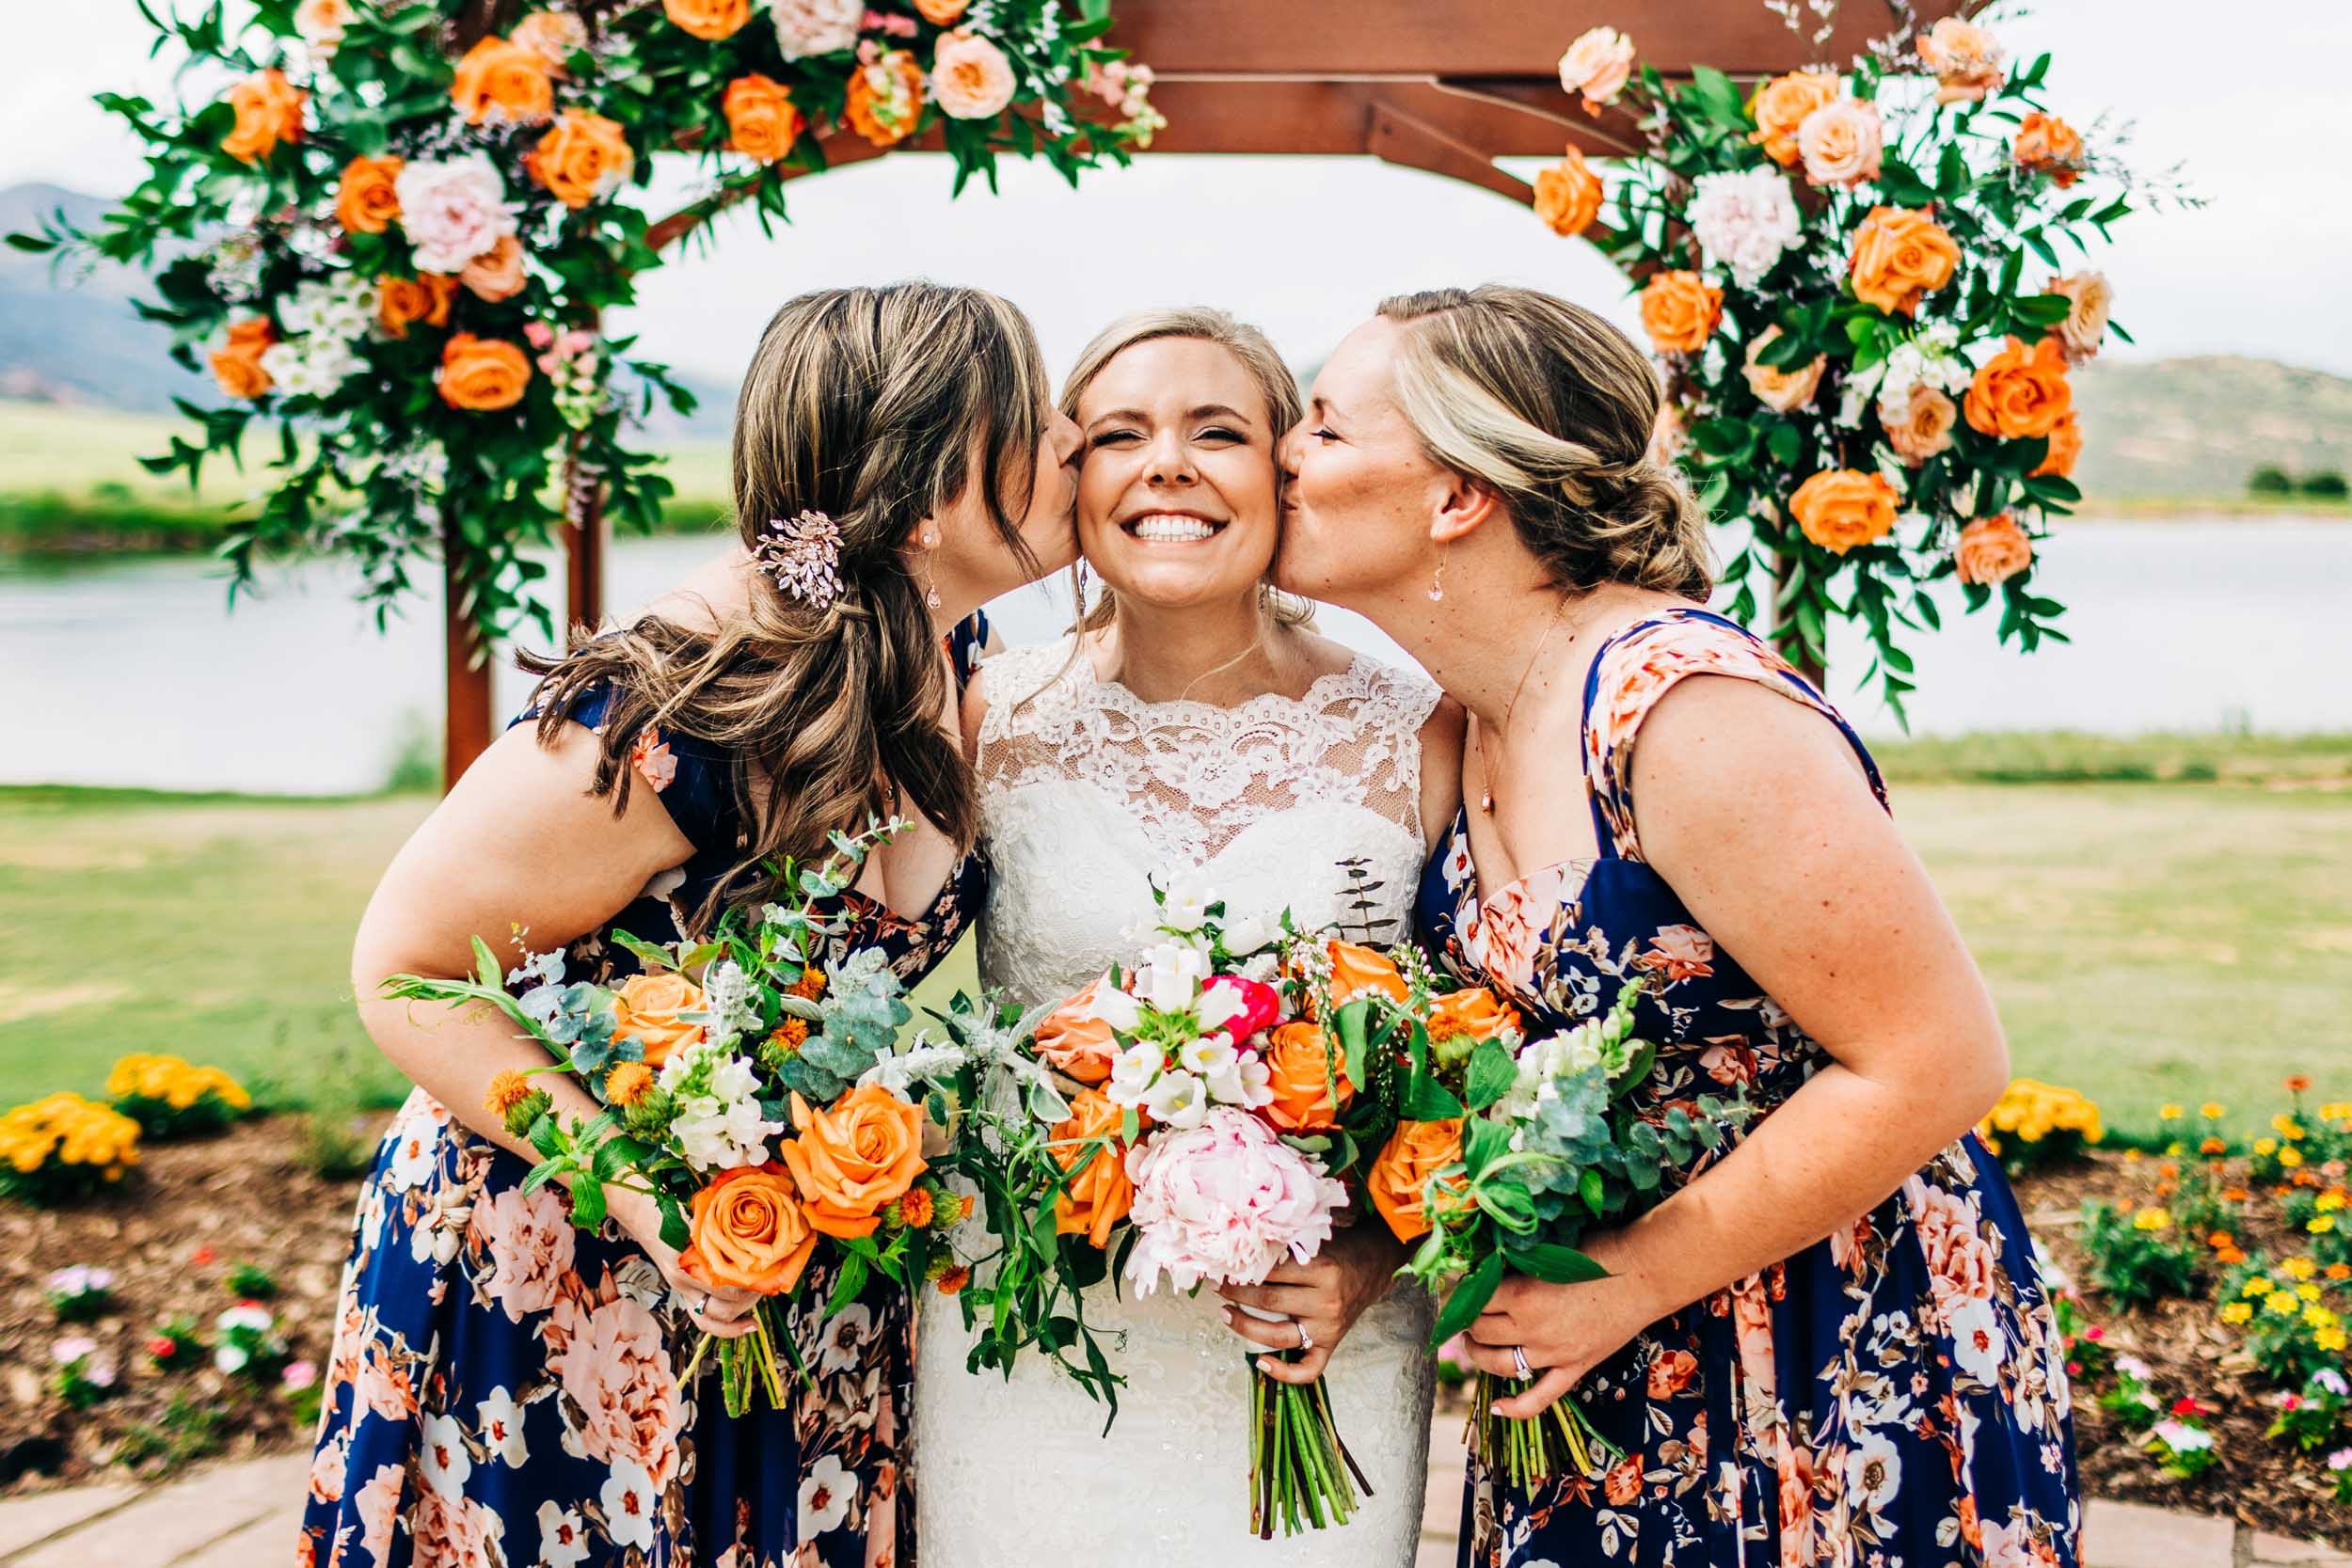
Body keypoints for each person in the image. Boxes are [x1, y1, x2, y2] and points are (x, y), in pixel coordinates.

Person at [1274, 284, 2079, 1567]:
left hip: (1828, 1345)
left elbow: (1937, 1060)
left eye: (1322, 425)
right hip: (1598, 1359)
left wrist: (1636, 1283)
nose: (1282, 455)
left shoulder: (1682, 713)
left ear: (1455, 497)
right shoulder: (1463, 713)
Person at [299, 281, 1082, 1568]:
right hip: (562, 1270)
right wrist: (652, 1196)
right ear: (934, 486)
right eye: (1038, 415)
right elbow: (410, 974)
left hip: (787, 1276)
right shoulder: (674, 712)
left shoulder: (941, 651)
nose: (1072, 440)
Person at [911, 307, 1463, 1566]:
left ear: (1284, 469)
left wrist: (1374, 1255)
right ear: (1070, 480)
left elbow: (1484, 1049)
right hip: (1033, 1336)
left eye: (1216, 430)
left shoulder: (1419, 729)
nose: (1166, 464)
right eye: (1119, 434)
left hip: (1313, 1347)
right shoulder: (985, 718)